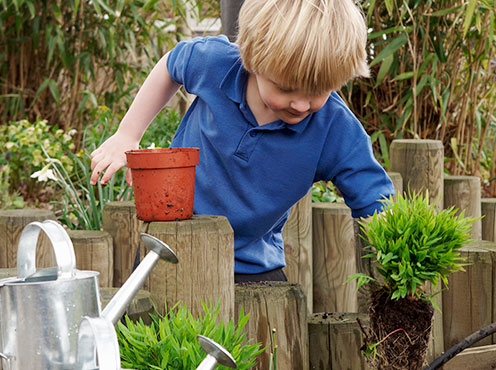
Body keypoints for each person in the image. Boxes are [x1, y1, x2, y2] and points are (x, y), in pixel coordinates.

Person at [90, 0, 395, 283]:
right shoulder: (215, 64)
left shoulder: (334, 127)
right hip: (170, 247)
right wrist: (128, 134)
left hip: (252, 267)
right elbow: (172, 64)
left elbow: (374, 199)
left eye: (318, 91)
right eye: (287, 88)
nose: (301, 105)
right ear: (254, 59)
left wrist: (401, 257)